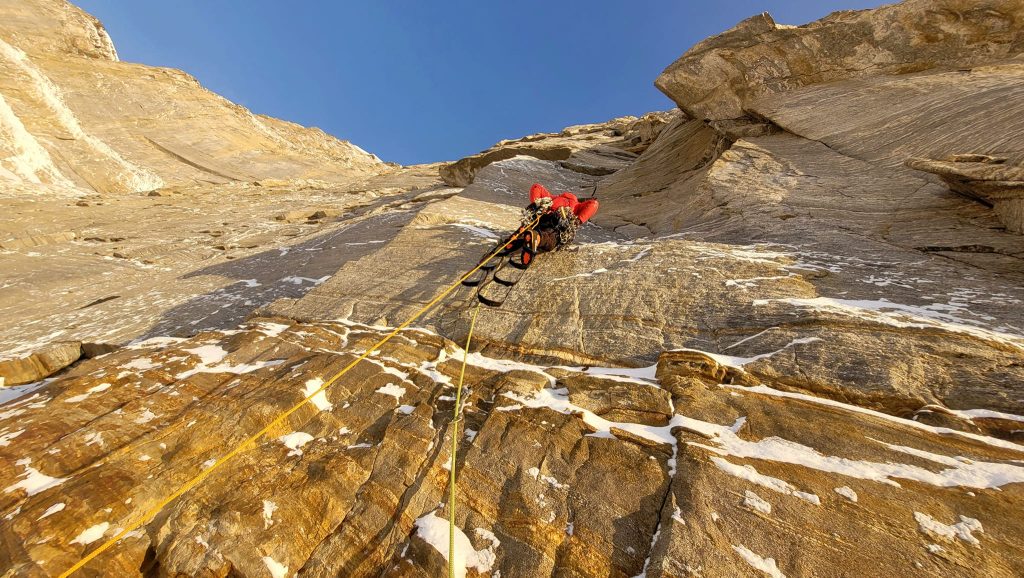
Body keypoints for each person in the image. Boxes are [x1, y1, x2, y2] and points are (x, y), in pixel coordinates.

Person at [518, 183, 598, 265]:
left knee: (534, 224)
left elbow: (536, 187)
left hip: (543, 217)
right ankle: (537, 238)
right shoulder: (577, 205)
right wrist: (578, 221)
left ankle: (520, 235)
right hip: (559, 223)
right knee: (552, 239)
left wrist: (536, 204)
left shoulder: (552, 198)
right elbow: (593, 204)